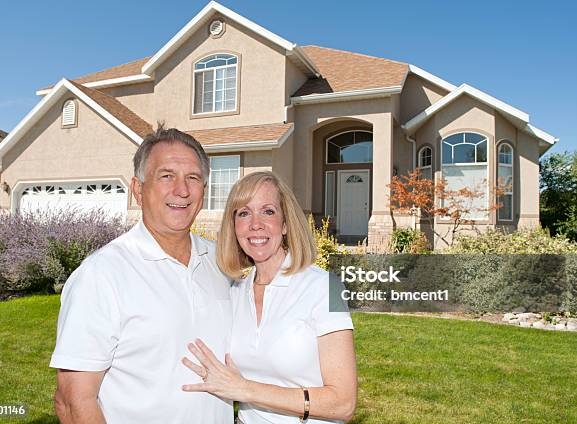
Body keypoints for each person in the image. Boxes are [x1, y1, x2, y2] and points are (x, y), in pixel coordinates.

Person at [50, 126, 233, 423]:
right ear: (138, 189)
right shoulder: (101, 275)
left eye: (193, 178)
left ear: (204, 191)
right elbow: (72, 401)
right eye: (166, 176)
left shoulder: (221, 262)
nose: (182, 191)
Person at [182, 171, 357, 423]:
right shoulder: (234, 292)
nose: (255, 224)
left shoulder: (326, 287)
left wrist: (244, 389)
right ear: (234, 227)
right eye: (243, 213)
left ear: (285, 224)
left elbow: (343, 403)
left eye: (268, 211)